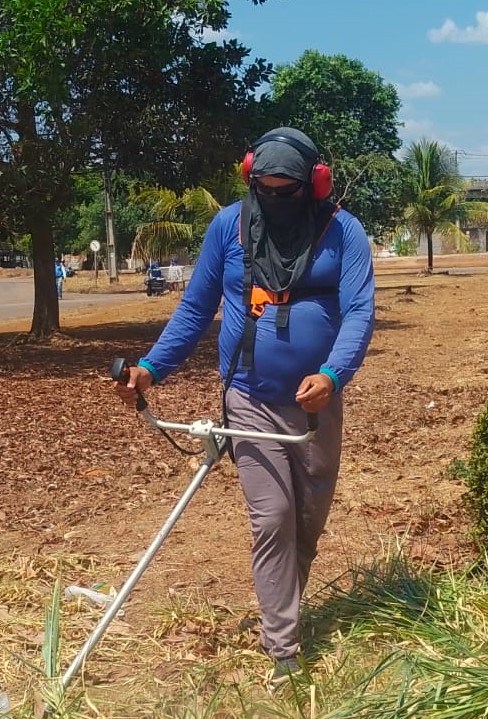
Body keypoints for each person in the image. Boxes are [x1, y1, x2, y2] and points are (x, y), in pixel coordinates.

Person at [114, 127, 375, 688]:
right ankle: (283, 649)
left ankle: (285, 608)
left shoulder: (344, 233)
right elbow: (194, 308)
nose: (275, 200)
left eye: (288, 191)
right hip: (249, 397)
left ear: (314, 185)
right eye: (266, 189)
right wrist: (151, 368)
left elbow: (359, 312)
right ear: (251, 179)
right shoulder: (228, 227)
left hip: (316, 406)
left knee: (307, 521)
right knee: (273, 516)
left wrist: (332, 375)